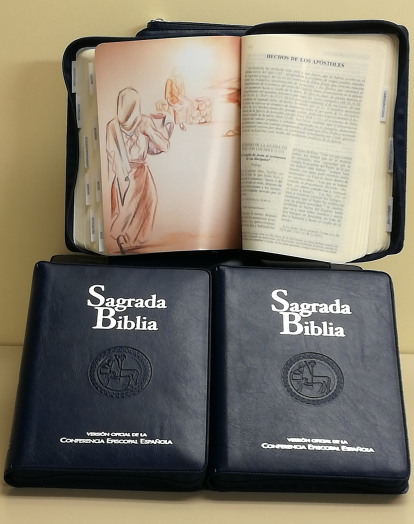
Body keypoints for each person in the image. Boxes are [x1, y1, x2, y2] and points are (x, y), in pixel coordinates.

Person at [106, 87, 173, 253]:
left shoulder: (137, 123)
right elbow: (111, 153)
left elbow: (161, 147)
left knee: (146, 204)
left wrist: (150, 131)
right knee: (130, 209)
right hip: (130, 175)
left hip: (131, 174)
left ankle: (132, 240)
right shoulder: (114, 126)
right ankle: (127, 240)